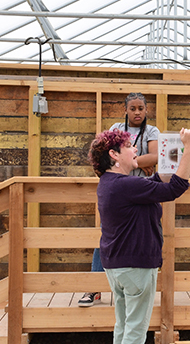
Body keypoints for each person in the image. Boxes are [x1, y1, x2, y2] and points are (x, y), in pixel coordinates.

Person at [88, 127, 190, 344]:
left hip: (117, 266)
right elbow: (175, 189)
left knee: (124, 324)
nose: (136, 149)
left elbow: (156, 181)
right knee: (136, 331)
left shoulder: (110, 184)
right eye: (128, 146)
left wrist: (180, 156)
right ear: (114, 154)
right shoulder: (128, 185)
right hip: (135, 266)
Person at [79, 92, 160, 307]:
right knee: (107, 236)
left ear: (146, 110)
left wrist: (133, 161)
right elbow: (104, 154)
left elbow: (156, 156)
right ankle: (94, 288)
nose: (137, 112)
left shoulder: (152, 131)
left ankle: (137, 287)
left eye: (141, 108)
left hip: (142, 193)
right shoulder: (116, 128)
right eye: (132, 108)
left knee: (144, 236)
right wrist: (140, 163)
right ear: (125, 109)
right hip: (118, 193)